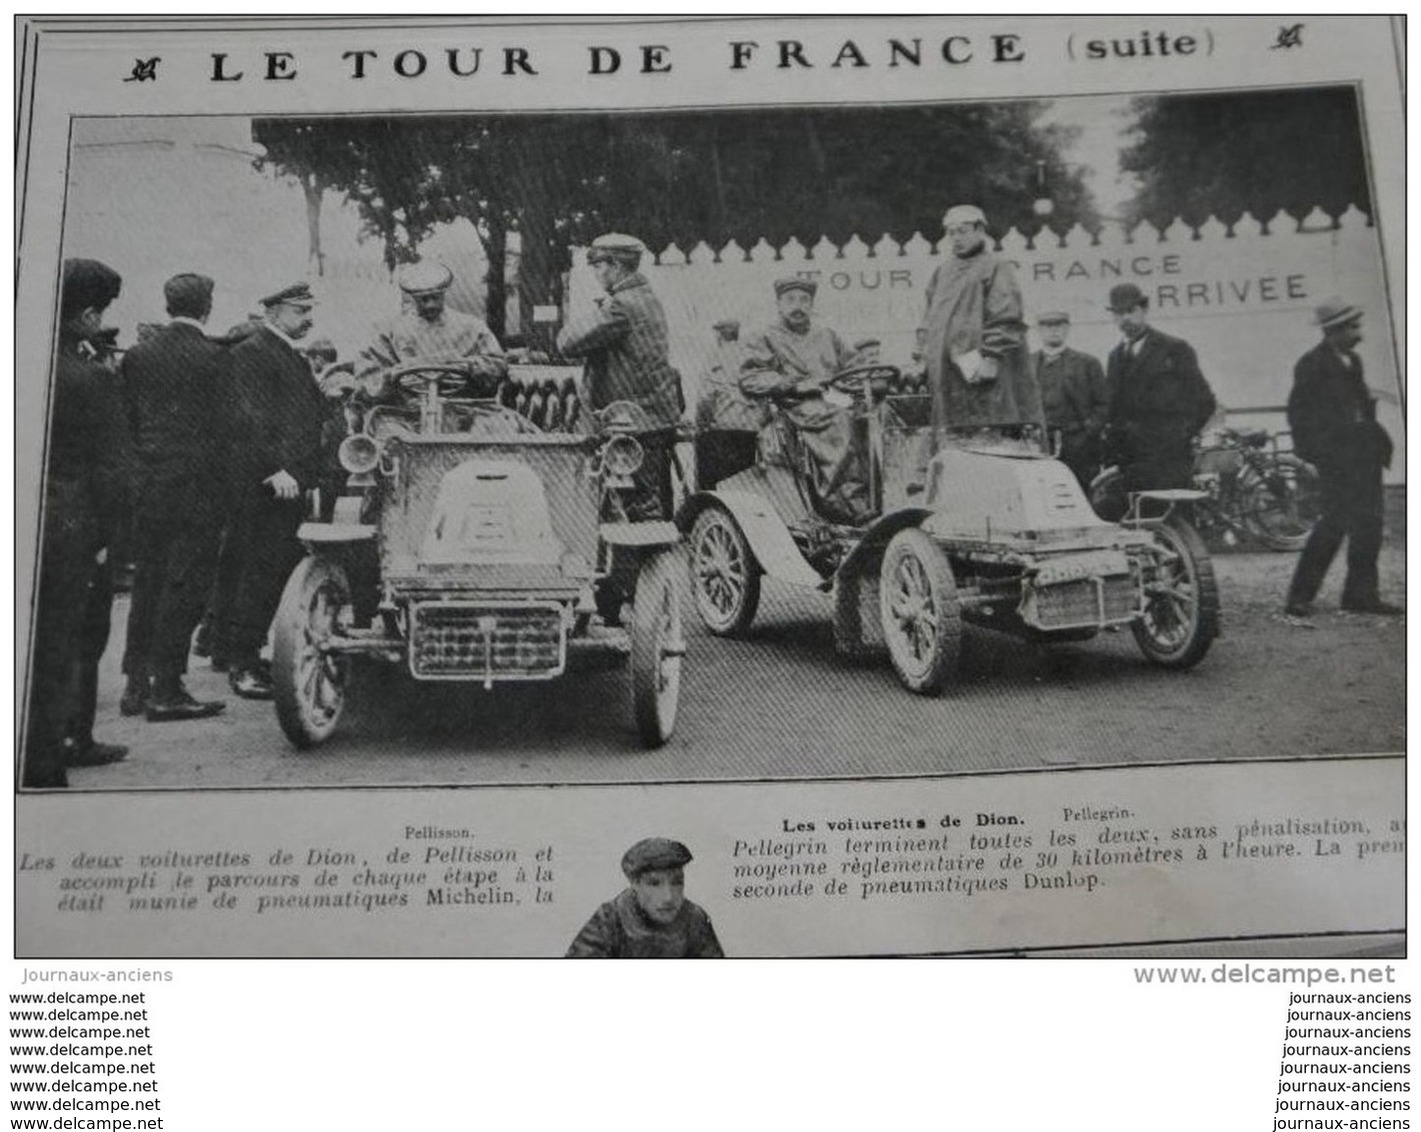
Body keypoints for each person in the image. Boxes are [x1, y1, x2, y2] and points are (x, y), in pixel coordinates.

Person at [23, 259, 131, 787]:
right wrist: (110, 540)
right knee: (60, 646)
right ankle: (43, 763)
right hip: (70, 530)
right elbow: (111, 471)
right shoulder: (88, 380)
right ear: (87, 315)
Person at [118, 273, 228, 722]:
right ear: (206, 307)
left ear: (167, 306)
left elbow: (125, 424)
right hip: (198, 491)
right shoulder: (215, 358)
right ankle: (168, 687)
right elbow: (227, 430)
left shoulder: (138, 356)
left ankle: (135, 685)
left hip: (151, 488)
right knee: (185, 588)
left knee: (148, 582)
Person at [220, 282, 327, 700]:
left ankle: (250, 655)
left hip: (288, 484)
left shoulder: (281, 352)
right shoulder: (254, 353)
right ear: (276, 311)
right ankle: (242, 664)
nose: (308, 319)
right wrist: (273, 469)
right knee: (256, 572)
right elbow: (247, 419)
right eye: (301, 311)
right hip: (269, 486)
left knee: (272, 571)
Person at [1284, 300, 1400, 618]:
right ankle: (1299, 597)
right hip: (1337, 461)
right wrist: (1316, 457)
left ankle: (1361, 595)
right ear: (1333, 331)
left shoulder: (1353, 360)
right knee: (1332, 525)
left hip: (1366, 456)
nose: (1359, 333)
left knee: (1369, 526)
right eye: (1353, 327)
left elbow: (1359, 407)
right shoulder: (1311, 365)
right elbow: (1299, 415)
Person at [557, 233, 685, 521]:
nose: (596, 274)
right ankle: (652, 559)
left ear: (615, 265)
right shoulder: (647, 297)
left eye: (599, 266)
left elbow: (567, 343)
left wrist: (597, 310)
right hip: (652, 417)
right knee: (651, 497)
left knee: (636, 505)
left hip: (631, 422)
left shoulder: (620, 306)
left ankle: (643, 563)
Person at [739, 276, 870, 523]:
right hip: (793, 406)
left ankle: (876, 497)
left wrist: (861, 383)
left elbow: (855, 366)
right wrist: (794, 384)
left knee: (873, 416)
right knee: (840, 419)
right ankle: (843, 504)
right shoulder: (766, 336)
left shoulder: (828, 335)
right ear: (779, 304)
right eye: (790, 300)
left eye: (804, 300)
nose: (797, 306)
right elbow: (751, 378)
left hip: (833, 398)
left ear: (812, 305)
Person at [919, 204, 1042, 434]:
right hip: (947, 373)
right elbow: (928, 317)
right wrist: (924, 353)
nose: (956, 238)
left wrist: (992, 357)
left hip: (983, 373)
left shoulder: (995, 266)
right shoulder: (942, 272)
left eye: (963, 231)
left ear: (980, 231)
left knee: (990, 430)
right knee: (951, 434)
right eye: (951, 233)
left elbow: (1006, 315)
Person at [1103, 282, 1216, 498]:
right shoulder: (1115, 357)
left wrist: (1180, 436)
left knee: (1176, 520)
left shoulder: (1174, 349)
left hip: (1169, 457)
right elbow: (1114, 408)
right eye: (1119, 313)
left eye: (1131, 310)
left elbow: (1204, 401)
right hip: (1131, 460)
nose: (1125, 318)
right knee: (1139, 521)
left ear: (1144, 310)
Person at [356, 261, 507, 401]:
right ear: (413, 298)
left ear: (444, 294)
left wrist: (469, 366)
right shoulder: (390, 330)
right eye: (424, 299)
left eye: (436, 297)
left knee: (494, 426)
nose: (430, 305)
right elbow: (367, 372)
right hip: (404, 410)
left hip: (463, 407)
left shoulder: (473, 327)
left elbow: (497, 364)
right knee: (386, 428)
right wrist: (392, 376)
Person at [566, 838, 724, 958]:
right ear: (634, 884)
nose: (668, 897)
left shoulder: (695, 919)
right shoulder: (609, 919)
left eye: (677, 882)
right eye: (654, 884)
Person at [1030, 311, 1110, 491]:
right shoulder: (1028, 364)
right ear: (1039, 330)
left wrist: (1088, 432)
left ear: (1067, 329)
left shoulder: (1087, 363)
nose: (1053, 331)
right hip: (1040, 444)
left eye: (1059, 326)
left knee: (1082, 490)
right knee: (1043, 491)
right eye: (1047, 326)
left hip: (1078, 445)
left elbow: (1103, 404)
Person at [695, 318, 761, 488]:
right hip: (748, 434)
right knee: (741, 486)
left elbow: (706, 398)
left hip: (720, 433)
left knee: (712, 489)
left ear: (719, 334)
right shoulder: (750, 358)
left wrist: (701, 426)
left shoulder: (715, 357)